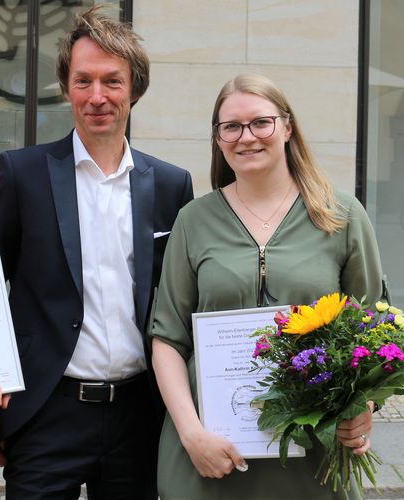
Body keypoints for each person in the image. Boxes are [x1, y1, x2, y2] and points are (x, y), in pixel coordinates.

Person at [149, 74, 385, 500]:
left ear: (288, 128)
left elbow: (373, 332)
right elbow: (167, 336)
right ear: (218, 139)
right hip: (210, 450)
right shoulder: (193, 221)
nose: (247, 137)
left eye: (262, 122)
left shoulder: (342, 215)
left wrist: (362, 411)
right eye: (231, 127)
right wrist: (191, 434)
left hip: (314, 449)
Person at [0, 5, 193, 499]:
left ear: (135, 90)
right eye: (83, 81)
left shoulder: (171, 184)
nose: (96, 97)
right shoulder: (22, 174)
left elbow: (184, 300)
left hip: (139, 414)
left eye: (112, 82)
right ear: (66, 87)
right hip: (45, 411)